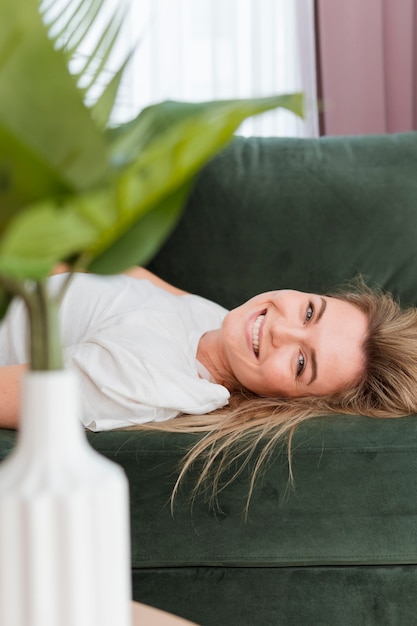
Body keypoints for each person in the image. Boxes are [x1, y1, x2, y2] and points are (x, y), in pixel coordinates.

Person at [0, 266, 417, 502]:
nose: (281, 331)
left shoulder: (148, 379)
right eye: (309, 312)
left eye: (301, 362)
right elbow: (121, 274)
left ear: (288, 401)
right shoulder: (215, 323)